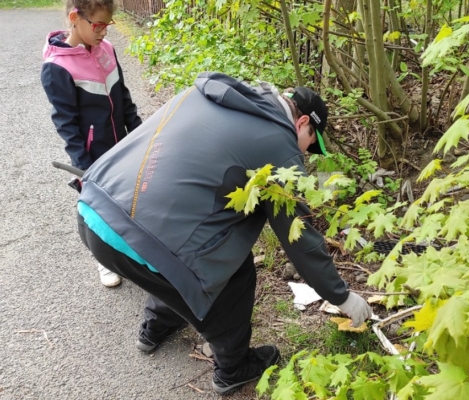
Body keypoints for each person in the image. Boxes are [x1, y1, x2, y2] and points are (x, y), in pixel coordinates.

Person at [76, 72, 372, 394]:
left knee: (168, 249)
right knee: (234, 273)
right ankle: (233, 367)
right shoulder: (280, 145)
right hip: (140, 241)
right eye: (310, 146)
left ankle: (156, 327)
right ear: (302, 123)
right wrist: (341, 296)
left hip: (95, 209)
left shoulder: (212, 94)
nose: (304, 156)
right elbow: (300, 239)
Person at [41, 0, 142, 287]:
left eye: (107, 25)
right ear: (75, 17)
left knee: (128, 196)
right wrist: (82, 164)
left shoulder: (106, 49)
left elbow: (123, 96)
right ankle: (104, 259)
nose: (104, 33)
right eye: (98, 25)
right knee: (99, 207)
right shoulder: (57, 68)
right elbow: (66, 123)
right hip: (92, 152)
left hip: (121, 143)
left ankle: (130, 250)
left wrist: (139, 133)